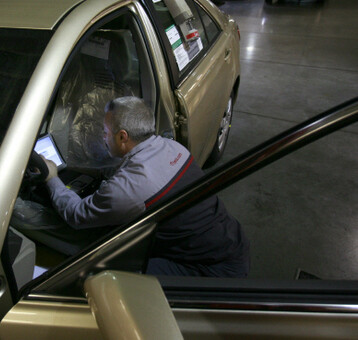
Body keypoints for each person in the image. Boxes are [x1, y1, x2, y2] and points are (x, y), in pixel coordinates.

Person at [43, 96, 250, 277]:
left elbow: (77, 215)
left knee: (109, 274)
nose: (103, 137)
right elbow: (127, 171)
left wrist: (51, 177)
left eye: (106, 132)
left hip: (212, 268)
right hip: (233, 239)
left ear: (123, 136)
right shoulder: (173, 147)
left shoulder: (128, 189)